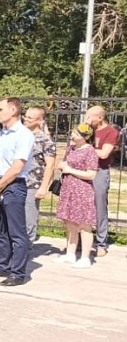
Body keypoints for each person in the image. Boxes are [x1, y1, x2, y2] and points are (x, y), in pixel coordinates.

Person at [0, 98, 34, 287]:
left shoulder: (24, 135)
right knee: (0, 229)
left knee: (16, 231)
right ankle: (3, 265)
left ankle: (17, 272)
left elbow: (17, 167)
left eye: (1, 109)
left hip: (13, 186)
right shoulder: (2, 134)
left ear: (13, 110)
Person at [52, 124, 98, 268]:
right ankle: (70, 253)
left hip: (82, 189)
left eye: (76, 134)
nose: (72, 135)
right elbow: (65, 164)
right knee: (69, 221)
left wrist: (70, 169)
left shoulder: (90, 151)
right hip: (68, 188)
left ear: (86, 137)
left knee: (84, 224)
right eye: (72, 132)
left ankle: (85, 257)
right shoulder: (71, 148)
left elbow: (91, 174)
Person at [85, 105, 118, 257]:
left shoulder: (111, 132)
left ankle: (101, 243)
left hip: (100, 171)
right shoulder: (87, 129)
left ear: (100, 117)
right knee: (82, 206)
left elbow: (104, 154)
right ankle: (81, 241)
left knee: (99, 207)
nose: (88, 120)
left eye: (90, 117)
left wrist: (85, 148)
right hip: (83, 171)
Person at [22, 106, 56, 243]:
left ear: (40, 120)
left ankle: (27, 245)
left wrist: (43, 187)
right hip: (17, 181)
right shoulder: (20, 135)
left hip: (32, 183)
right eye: (25, 116)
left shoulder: (45, 140)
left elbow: (50, 165)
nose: (26, 119)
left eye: (30, 118)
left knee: (29, 217)